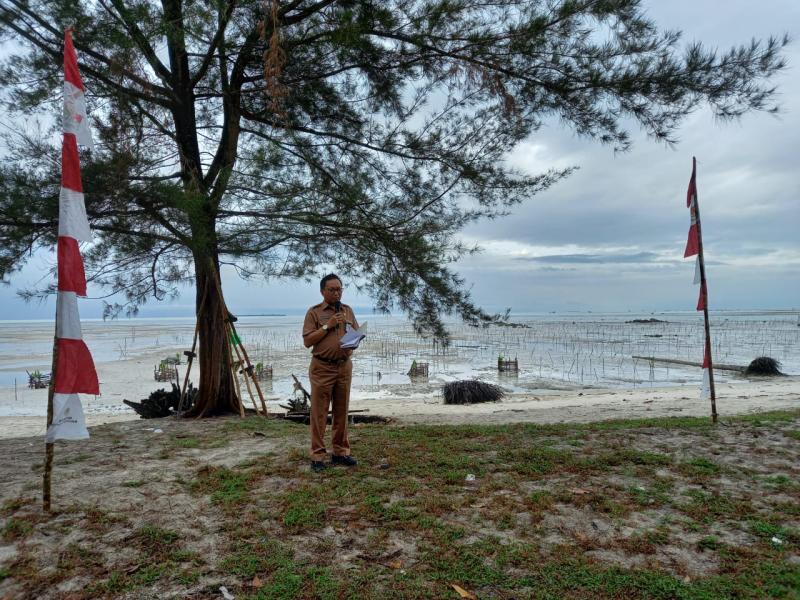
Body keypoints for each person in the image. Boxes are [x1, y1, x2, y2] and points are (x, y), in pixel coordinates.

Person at [302, 274, 360, 471]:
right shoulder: (314, 312)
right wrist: (328, 326)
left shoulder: (347, 310)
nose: (337, 293)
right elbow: (307, 341)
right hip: (322, 368)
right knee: (319, 414)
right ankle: (317, 456)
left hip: (344, 366)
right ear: (322, 292)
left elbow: (356, 333)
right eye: (332, 290)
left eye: (339, 289)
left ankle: (340, 453)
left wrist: (354, 340)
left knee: (341, 411)